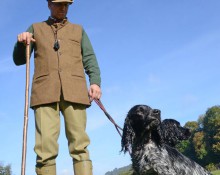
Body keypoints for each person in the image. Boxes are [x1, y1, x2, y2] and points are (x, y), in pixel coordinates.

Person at [13, 0, 102, 174]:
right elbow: (19, 60)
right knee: (45, 151)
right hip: (44, 92)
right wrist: (21, 43)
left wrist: (95, 82)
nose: (63, 8)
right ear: (48, 4)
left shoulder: (79, 30)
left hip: (75, 90)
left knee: (80, 146)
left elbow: (90, 57)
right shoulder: (35, 28)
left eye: (66, 5)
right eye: (58, 4)